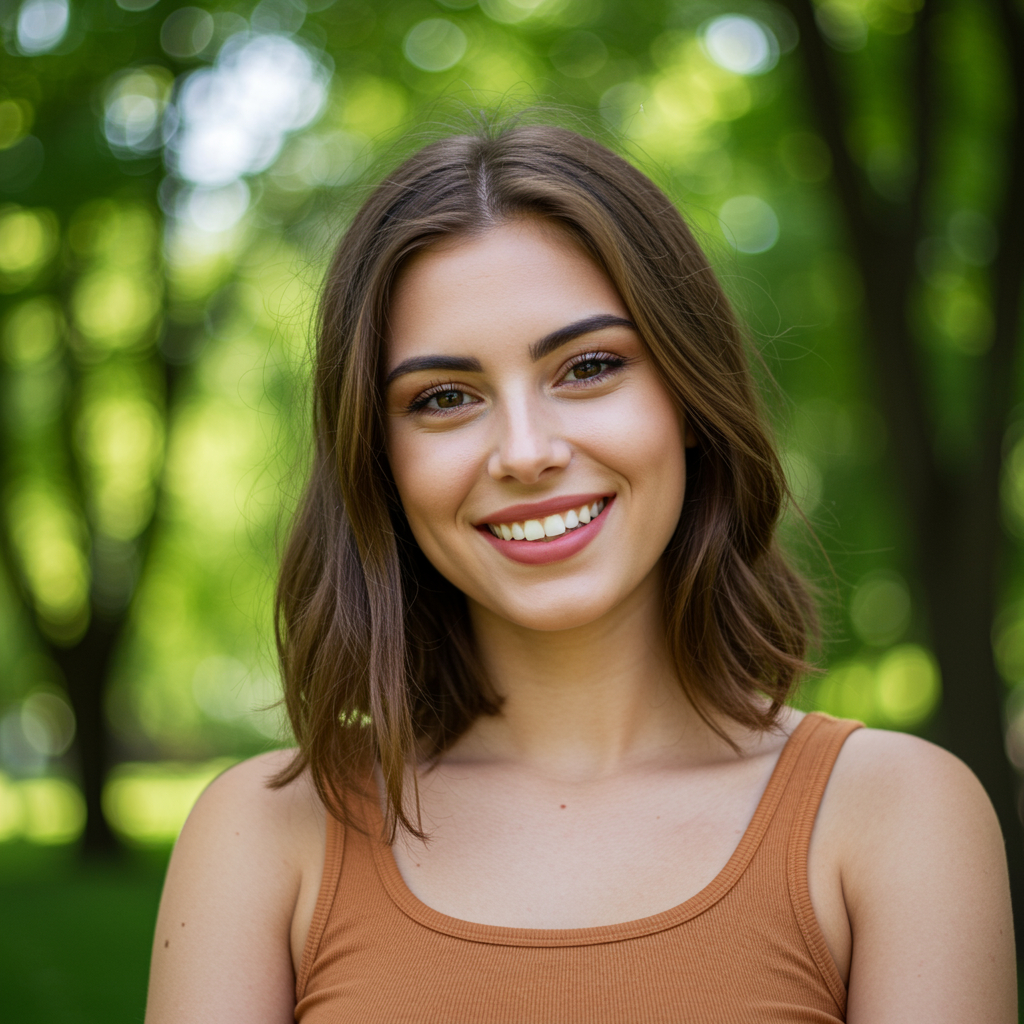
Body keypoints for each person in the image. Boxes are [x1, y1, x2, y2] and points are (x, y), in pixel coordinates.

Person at [145, 122, 1016, 1024]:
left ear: (687, 395)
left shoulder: (894, 815)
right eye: (444, 398)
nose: (525, 453)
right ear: (380, 458)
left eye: (590, 367)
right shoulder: (263, 834)